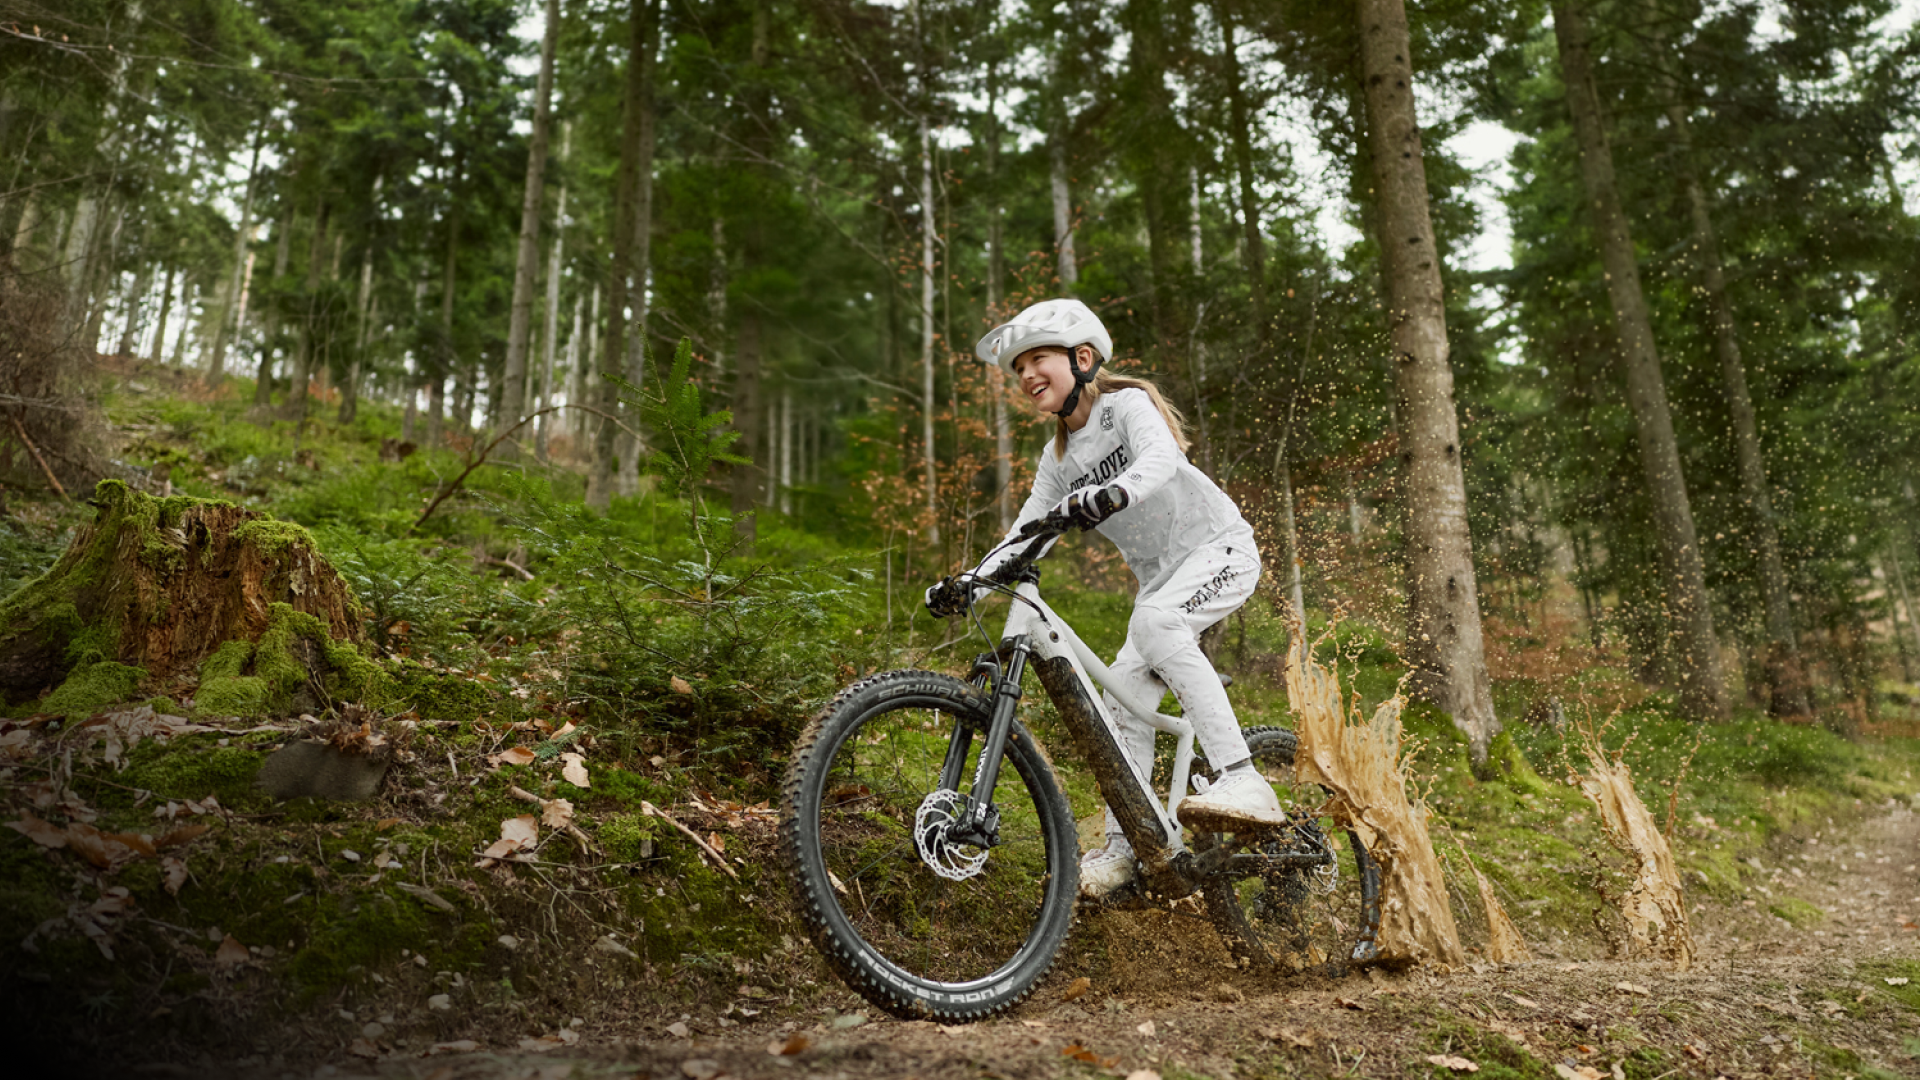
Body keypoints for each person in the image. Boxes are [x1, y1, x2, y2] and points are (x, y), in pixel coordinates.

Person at [925, 298, 1285, 900]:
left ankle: (1244, 777)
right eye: (1018, 368)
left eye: (1038, 358)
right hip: (1163, 580)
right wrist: (971, 577)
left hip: (1221, 552)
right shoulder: (1058, 456)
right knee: (1121, 700)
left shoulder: (1125, 408)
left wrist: (1112, 493)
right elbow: (1026, 534)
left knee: (1156, 621)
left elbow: (1162, 460)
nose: (1027, 374)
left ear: (1082, 359)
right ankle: (1131, 845)